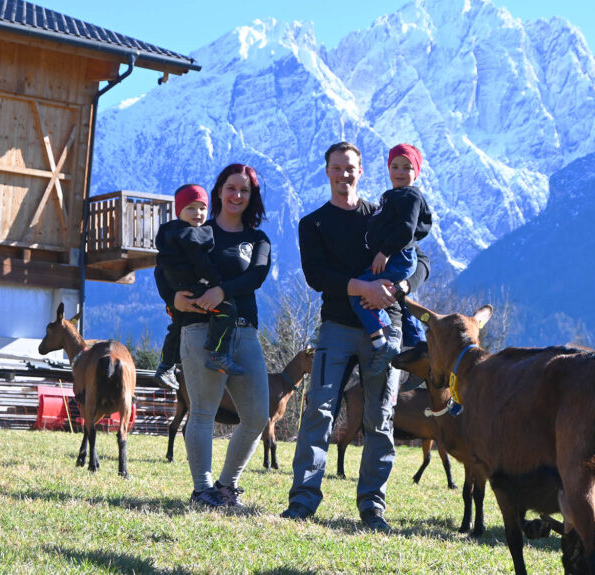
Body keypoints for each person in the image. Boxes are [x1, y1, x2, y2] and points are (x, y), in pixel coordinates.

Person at [282, 142, 430, 532]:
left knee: (380, 419)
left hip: (388, 326)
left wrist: (398, 287)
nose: (344, 174)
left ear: (361, 172)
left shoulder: (384, 213)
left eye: (351, 168)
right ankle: (303, 500)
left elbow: (421, 261)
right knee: (319, 412)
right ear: (327, 171)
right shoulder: (312, 223)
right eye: (337, 167)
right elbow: (317, 276)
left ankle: (372, 507)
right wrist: (362, 289)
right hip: (336, 326)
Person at [156, 163, 272, 508]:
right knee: (203, 412)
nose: (237, 195)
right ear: (219, 190)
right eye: (231, 188)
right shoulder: (196, 229)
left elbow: (256, 277)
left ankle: (226, 486)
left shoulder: (257, 239)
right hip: (199, 330)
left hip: (244, 332)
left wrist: (221, 291)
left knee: (257, 416)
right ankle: (202, 490)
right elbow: (164, 267)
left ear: (252, 197)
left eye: (245, 190)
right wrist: (171, 297)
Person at [153, 184, 244, 390]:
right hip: (195, 289)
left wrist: (171, 297)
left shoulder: (169, 235)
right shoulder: (192, 236)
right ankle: (218, 352)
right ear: (179, 211)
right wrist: (216, 283)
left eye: (202, 208)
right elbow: (201, 263)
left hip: (178, 291)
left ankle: (165, 366)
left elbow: (160, 268)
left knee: (176, 327)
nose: (198, 213)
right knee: (227, 310)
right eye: (191, 208)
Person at [349, 143, 432, 371]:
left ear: (416, 172)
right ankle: (420, 349)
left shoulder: (409, 196)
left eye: (407, 167)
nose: (399, 172)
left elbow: (406, 230)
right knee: (405, 304)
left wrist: (384, 252)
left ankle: (383, 338)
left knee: (359, 294)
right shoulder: (395, 197)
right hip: (400, 258)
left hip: (397, 258)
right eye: (394, 166)